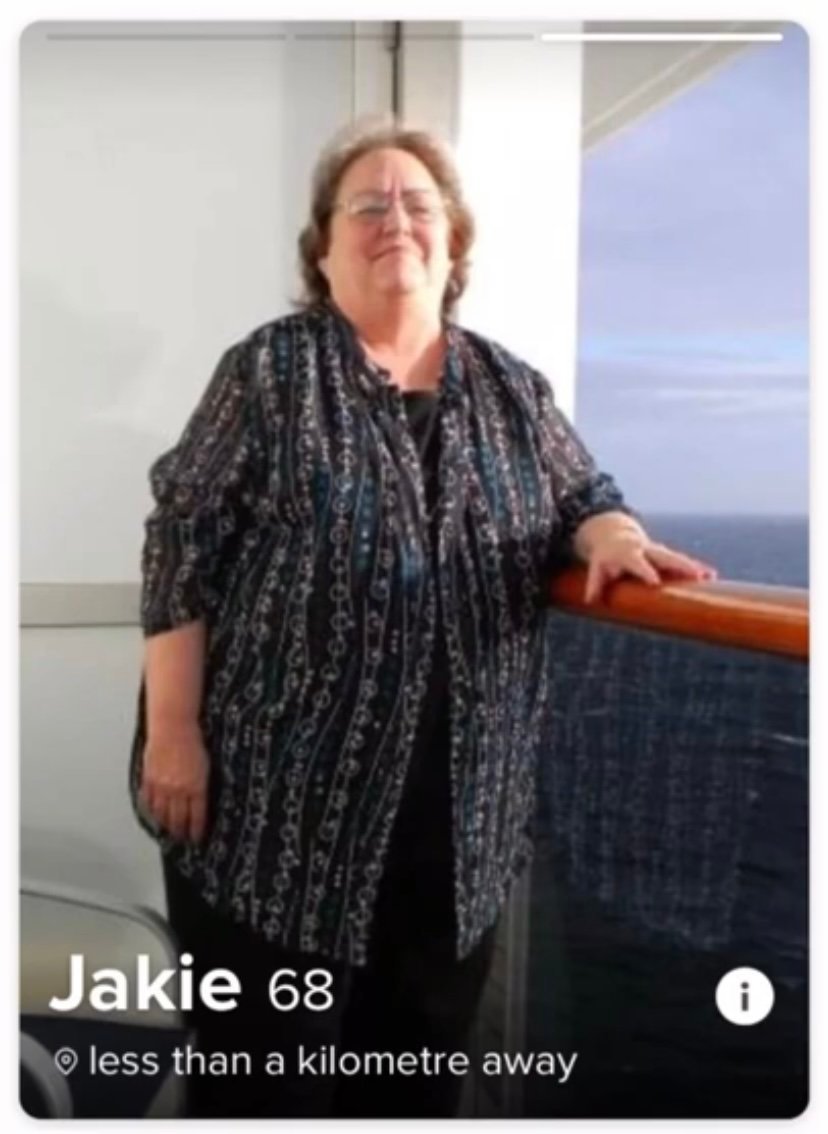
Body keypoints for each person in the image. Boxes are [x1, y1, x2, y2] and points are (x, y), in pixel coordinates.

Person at [128, 119, 716, 1118]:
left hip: (453, 837)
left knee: (411, 1085)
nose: (393, 219)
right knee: (265, 1089)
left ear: (453, 244)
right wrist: (174, 733)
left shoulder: (513, 389)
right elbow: (182, 542)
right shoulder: (269, 372)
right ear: (322, 252)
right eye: (366, 204)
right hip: (269, 824)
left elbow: (585, 493)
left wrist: (612, 532)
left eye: (417, 204)